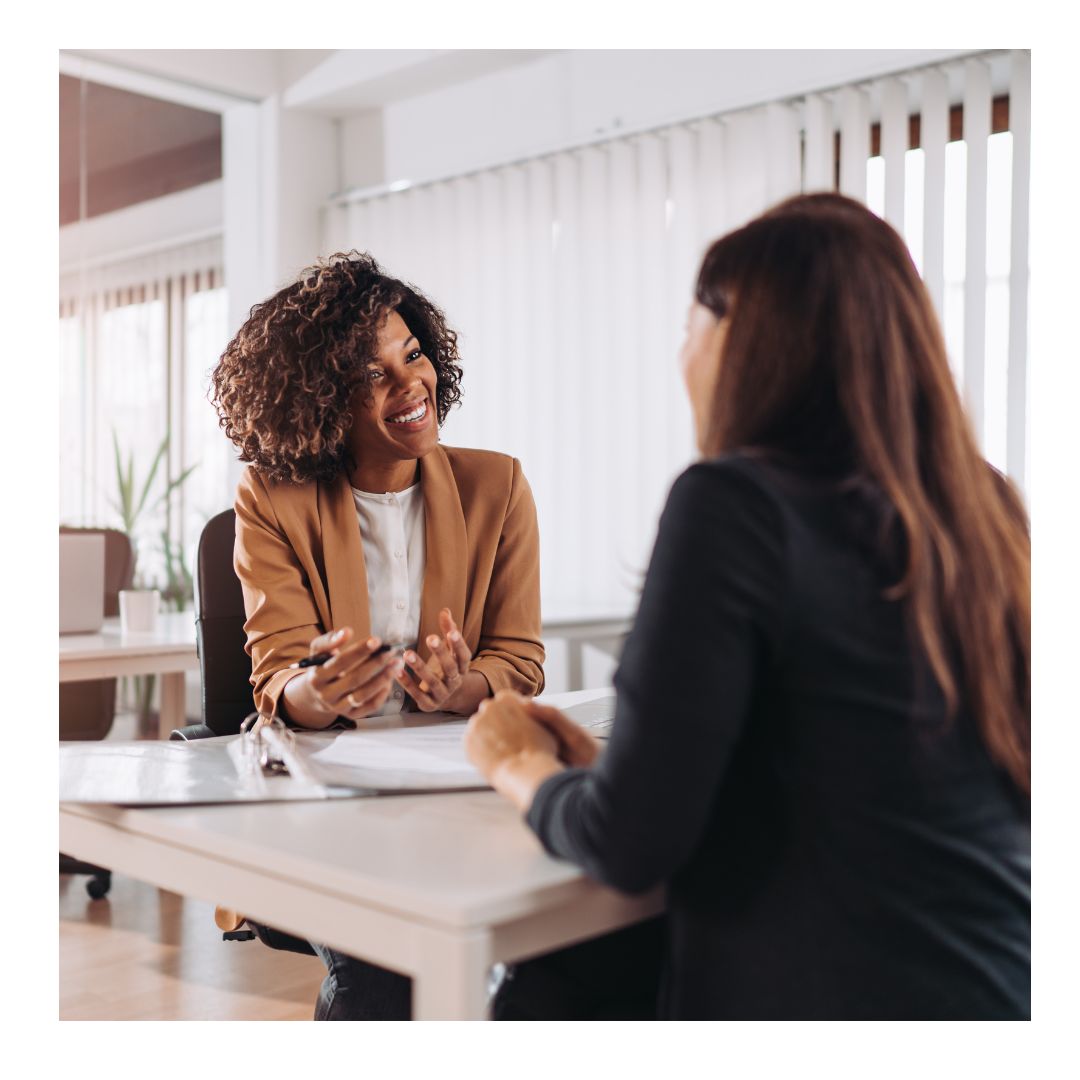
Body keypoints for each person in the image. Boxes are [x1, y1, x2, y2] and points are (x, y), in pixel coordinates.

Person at [466, 193, 1031, 1020]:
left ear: (743, 338)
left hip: (837, 1006)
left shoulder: (732, 505)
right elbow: (868, 772)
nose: (681, 354)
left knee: (545, 992)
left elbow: (628, 847)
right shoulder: (982, 507)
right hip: (1005, 989)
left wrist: (515, 762)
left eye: (689, 326)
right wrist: (622, 773)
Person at [211, 251, 545, 1019]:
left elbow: (520, 658)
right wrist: (321, 691)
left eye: (414, 354)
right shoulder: (274, 497)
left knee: (556, 947)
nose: (410, 387)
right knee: (385, 966)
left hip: (456, 796)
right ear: (321, 396)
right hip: (329, 805)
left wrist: (464, 686)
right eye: (372, 373)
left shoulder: (498, 487)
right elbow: (276, 682)